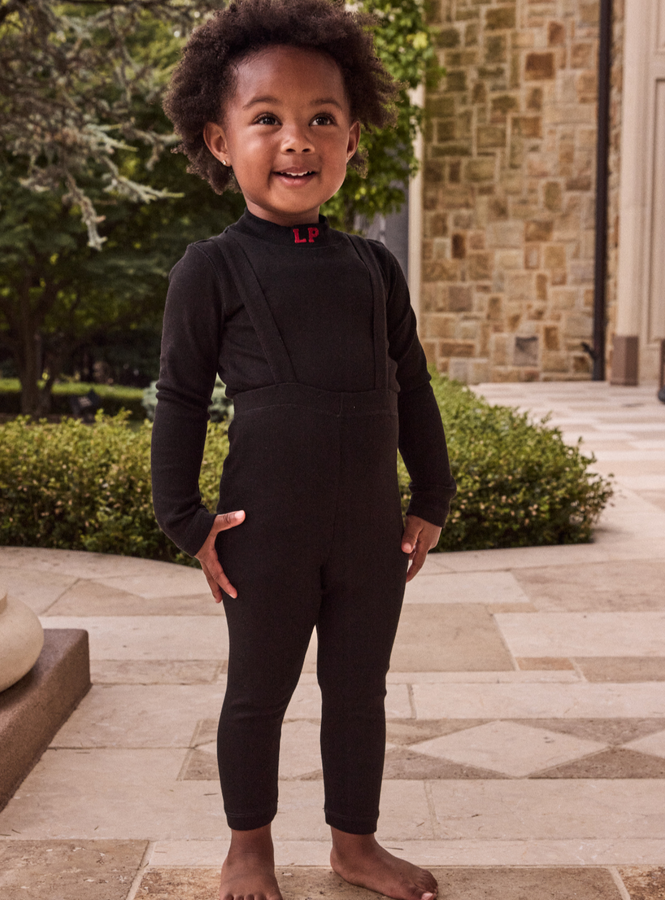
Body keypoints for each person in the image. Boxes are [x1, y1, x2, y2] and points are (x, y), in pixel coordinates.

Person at [151, 2, 456, 898]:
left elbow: (412, 386)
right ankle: (249, 848)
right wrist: (188, 522)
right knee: (258, 696)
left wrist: (430, 496)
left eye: (321, 117)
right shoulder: (211, 267)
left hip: (368, 533)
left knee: (360, 695)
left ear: (353, 136)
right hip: (267, 532)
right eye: (268, 119)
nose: (297, 140)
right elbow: (177, 399)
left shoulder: (372, 267)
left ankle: (353, 845)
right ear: (218, 140)